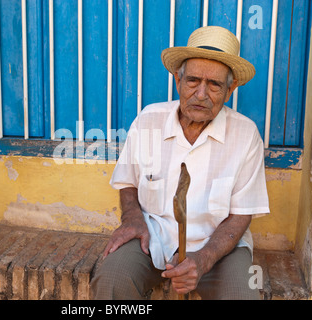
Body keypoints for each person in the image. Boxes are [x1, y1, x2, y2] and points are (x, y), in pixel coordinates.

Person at [91, 26, 270, 300]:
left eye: (214, 85)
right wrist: (133, 220)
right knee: (112, 279)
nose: (200, 94)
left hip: (220, 249)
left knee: (242, 295)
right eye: (193, 81)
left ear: (230, 89)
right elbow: (128, 182)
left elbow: (240, 215)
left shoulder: (246, 136)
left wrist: (204, 259)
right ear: (178, 79)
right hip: (152, 238)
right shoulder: (148, 121)